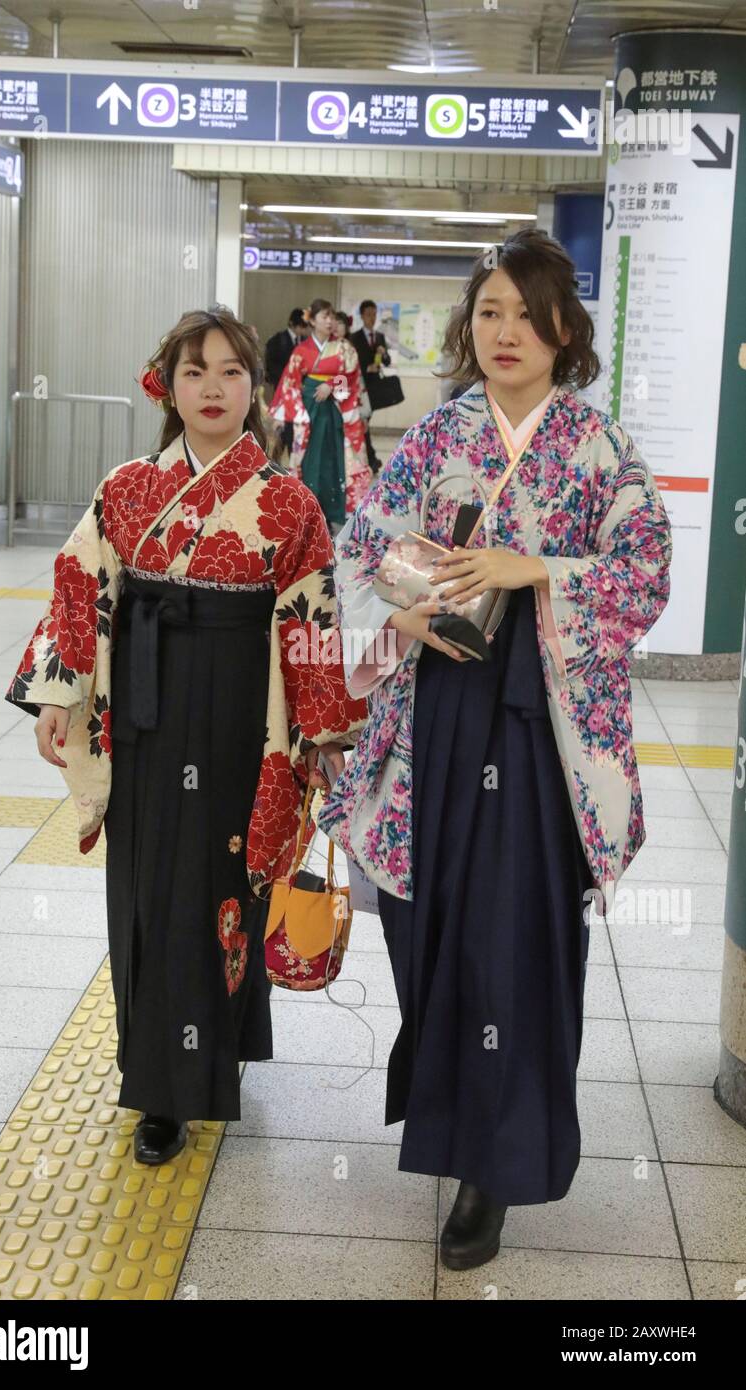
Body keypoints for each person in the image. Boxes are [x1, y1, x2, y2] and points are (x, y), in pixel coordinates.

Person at [319, 228, 672, 1270]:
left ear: (565, 330)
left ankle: (493, 1168)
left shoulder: (597, 449)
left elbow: (641, 573)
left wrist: (539, 567)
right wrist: (408, 605)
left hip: (535, 727)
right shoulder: (437, 436)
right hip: (434, 712)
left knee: (514, 949)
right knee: (426, 933)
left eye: (525, 312)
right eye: (487, 312)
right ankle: (447, 1121)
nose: (504, 330)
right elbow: (364, 539)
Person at [4, 307, 368, 1166]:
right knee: (151, 889)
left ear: (256, 387)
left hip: (246, 713)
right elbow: (77, 584)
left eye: (231, 371)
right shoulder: (128, 486)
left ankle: (219, 1048)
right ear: (167, 384)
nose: (212, 387)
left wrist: (323, 733)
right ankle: (160, 1089)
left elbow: (312, 623)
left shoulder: (288, 502)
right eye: (194, 370)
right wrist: (61, 692)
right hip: (145, 706)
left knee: (229, 875)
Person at [269, 297, 371, 533]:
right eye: (324, 316)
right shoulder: (301, 351)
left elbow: (352, 379)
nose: (330, 321)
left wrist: (333, 385)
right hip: (308, 413)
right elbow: (289, 384)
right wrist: (293, 414)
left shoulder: (344, 348)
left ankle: (334, 511)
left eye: (332, 316)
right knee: (310, 461)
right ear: (312, 321)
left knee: (334, 461)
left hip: (334, 412)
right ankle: (308, 511)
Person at [350, 299, 392, 473]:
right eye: (368, 315)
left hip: (375, 388)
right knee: (363, 422)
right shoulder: (354, 338)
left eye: (374, 315)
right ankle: (371, 459)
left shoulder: (380, 337)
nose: (372, 318)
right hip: (360, 387)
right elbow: (352, 363)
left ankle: (370, 458)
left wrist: (383, 355)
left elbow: (387, 361)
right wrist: (367, 368)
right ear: (362, 316)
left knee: (365, 422)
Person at [264, 307, 307, 457]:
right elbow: (271, 365)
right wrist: (286, 380)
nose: (303, 329)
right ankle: (280, 457)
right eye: (301, 326)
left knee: (290, 427)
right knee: (284, 426)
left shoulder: (305, 342)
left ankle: (281, 458)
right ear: (292, 324)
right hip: (283, 390)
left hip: (299, 392)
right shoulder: (278, 340)